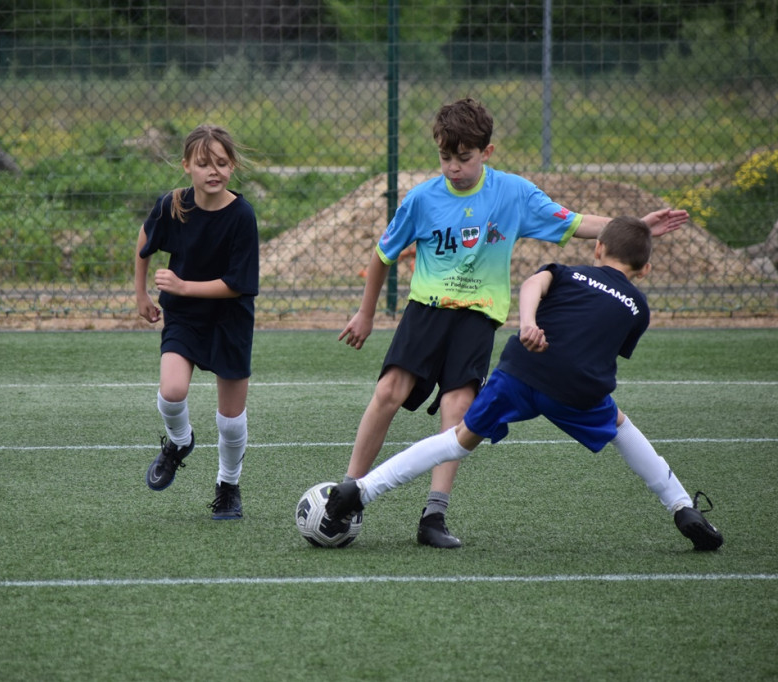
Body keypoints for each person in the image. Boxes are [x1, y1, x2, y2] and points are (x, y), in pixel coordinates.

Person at [337, 97, 689, 548]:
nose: (453, 168)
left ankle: (433, 517)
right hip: (426, 309)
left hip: (479, 317)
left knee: (458, 408)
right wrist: (366, 313)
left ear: (487, 152)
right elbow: (383, 254)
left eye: (464, 158)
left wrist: (635, 225)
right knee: (388, 391)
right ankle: (348, 492)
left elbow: (575, 222)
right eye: (445, 157)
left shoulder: (513, 194)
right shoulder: (422, 199)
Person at [326, 216, 723, 551]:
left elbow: (533, 283)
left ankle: (361, 491)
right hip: (576, 387)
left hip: (520, 370)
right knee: (620, 426)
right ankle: (681, 506)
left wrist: (529, 323)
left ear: (598, 249)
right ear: (645, 271)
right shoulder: (639, 308)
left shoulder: (568, 272)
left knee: (456, 439)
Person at [135, 124, 259, 520]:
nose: (213, 171)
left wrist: (184, 286)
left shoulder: (242, 216)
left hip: (230, 321)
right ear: (186, 165)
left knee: (230, 421)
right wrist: (140, 293)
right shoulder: (172, 205)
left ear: (232, 166)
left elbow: (238, 285)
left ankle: (228, 485)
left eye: (222, 163)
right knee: (172, 390)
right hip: (185, 318)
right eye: (203, 163)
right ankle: (180, 441)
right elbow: (144, 240)